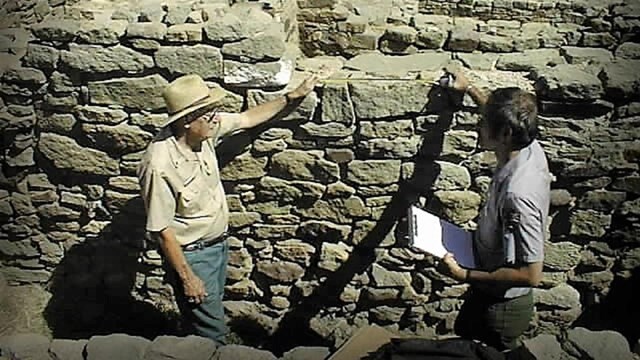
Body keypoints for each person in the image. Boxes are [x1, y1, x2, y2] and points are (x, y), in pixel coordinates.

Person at [137, 73, 318, 344]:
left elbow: (246, 119)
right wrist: (188, 278)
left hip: (216, 247)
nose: (216, 118)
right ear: (187, 121)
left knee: (198, 324)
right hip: (193, 256)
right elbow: (162, 230)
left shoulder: (203, 130)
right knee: (213, 335)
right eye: (209, 114)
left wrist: (291, 97)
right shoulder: (159, 166)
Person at [436, 68, 551, 351]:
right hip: (489, 289)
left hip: (502, 307)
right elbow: (502, 113)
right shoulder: (529, 146)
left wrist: (464, 276)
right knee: (463, 334)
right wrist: (470, 88)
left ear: (505, 133)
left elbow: (531, 274)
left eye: (484, 123)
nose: (478, 126)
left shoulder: (518, 195)